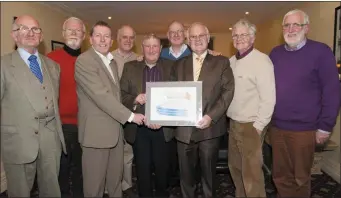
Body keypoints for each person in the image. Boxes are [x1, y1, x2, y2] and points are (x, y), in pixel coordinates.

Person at [269, 9, 340, 198]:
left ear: (306, 28)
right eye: (287, 25)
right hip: (276, 127)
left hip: (304, 130)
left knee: (300, 178)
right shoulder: (275, 54)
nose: (291, 29)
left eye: (296, 25)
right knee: (280, 176)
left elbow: (332, 92)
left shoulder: (321, 52)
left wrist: (325, 127)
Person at [74, 21, 145, 197]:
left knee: (115, 184)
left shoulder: (111, 62)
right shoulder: (84, 61)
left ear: (112, 40)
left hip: (115, 133)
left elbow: (116, 96)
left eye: (106, 36)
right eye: (98, 35)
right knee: (94, 188)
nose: (103, 40)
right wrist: (131, 116)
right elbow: (101, 96)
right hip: (96, 136)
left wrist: (134, 103)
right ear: (90, 39)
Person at [1, 15, 66, 197]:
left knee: (52, 189)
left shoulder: (53, 66)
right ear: (14, 35)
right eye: (24, 28)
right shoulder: (3, 65)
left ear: (41, 35)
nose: (31, 33)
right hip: (18, 141)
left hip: (50, 138)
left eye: (35, 29)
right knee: (19, 192)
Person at [171, 22, 235, 198]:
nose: (197, 39)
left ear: (208, 38)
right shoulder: (178, 65)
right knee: (186, 177)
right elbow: (171, 94)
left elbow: (228, 92)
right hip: (184, 131)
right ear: (188, 40)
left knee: (209, 177)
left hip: (210, 130)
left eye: (201, 36)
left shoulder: (222, 62)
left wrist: (211, 117)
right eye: (193, 36)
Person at [121, 33, 175, 197]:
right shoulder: (130, 67)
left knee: (162, 172)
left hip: (163, 129)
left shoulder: (173, 66)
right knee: (142, 172)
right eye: (147, 46)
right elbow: (121, 94)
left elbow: (178, 95)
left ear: (161, 49)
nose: (151, 49)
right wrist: (135, 99)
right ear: (142, 48)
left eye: (155, 46)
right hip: (139, 128)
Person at [227, 19, 276, 197]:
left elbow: (269, 98)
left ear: (253, 37)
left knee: (252, 175)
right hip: (233, 124)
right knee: (235, 169)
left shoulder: (262, 61)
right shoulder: (231, 61)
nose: (239, 38)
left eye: (244, 34)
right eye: (236, 35)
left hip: (251, 126)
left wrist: (258, 127)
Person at [47, 16, 85, 197]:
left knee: (81, 170)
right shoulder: (50, 59)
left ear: (84, 35)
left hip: (85, 125)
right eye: (70, 30)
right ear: (63, 34)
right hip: (60, 126)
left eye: (78, 30)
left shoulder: (89, 60)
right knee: (61, 170)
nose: (74, 33)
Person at [110, 25, 138, 197]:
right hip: (110, 113)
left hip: (130, 113)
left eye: (131, 37)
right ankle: (110, 186)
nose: (128, 40)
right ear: (118, 38)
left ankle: (126, 185)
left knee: (127, 152)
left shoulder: (139, 59)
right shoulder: (107, 57)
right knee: (111, 152)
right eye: (124, 37)